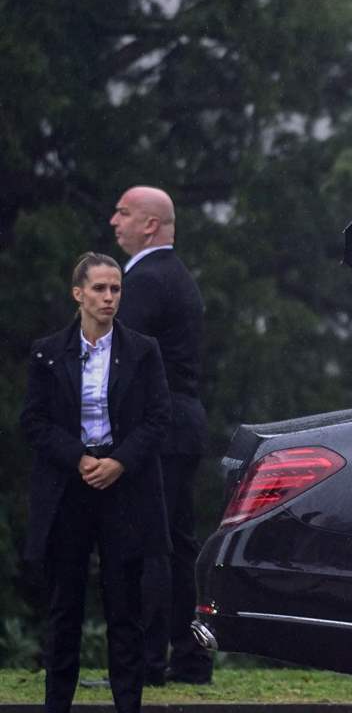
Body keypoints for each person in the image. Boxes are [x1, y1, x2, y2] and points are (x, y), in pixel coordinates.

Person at [21, 252, 171, 713]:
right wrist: (78, 457)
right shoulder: (49, 352)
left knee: (123, 597)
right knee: (66, 599)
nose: (109, 298)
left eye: (116, 289)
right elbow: (34, 421)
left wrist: (119, 460)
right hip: (69, 485)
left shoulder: (143, 350)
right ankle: (56, 710)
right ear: (78, 294)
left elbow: (158, 416)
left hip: (122, 484)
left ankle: (128, 708)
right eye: (101, 289)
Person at [110, 186, 212, 685]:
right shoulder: (174, 276)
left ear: (150, 225)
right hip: (182, 424)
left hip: (158, 431)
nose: (114, 221)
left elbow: (124, 362)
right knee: (175, 544)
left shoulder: (146, 281)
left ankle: (147, 660)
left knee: (149, 545)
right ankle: (187, 655)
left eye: (124, 213)